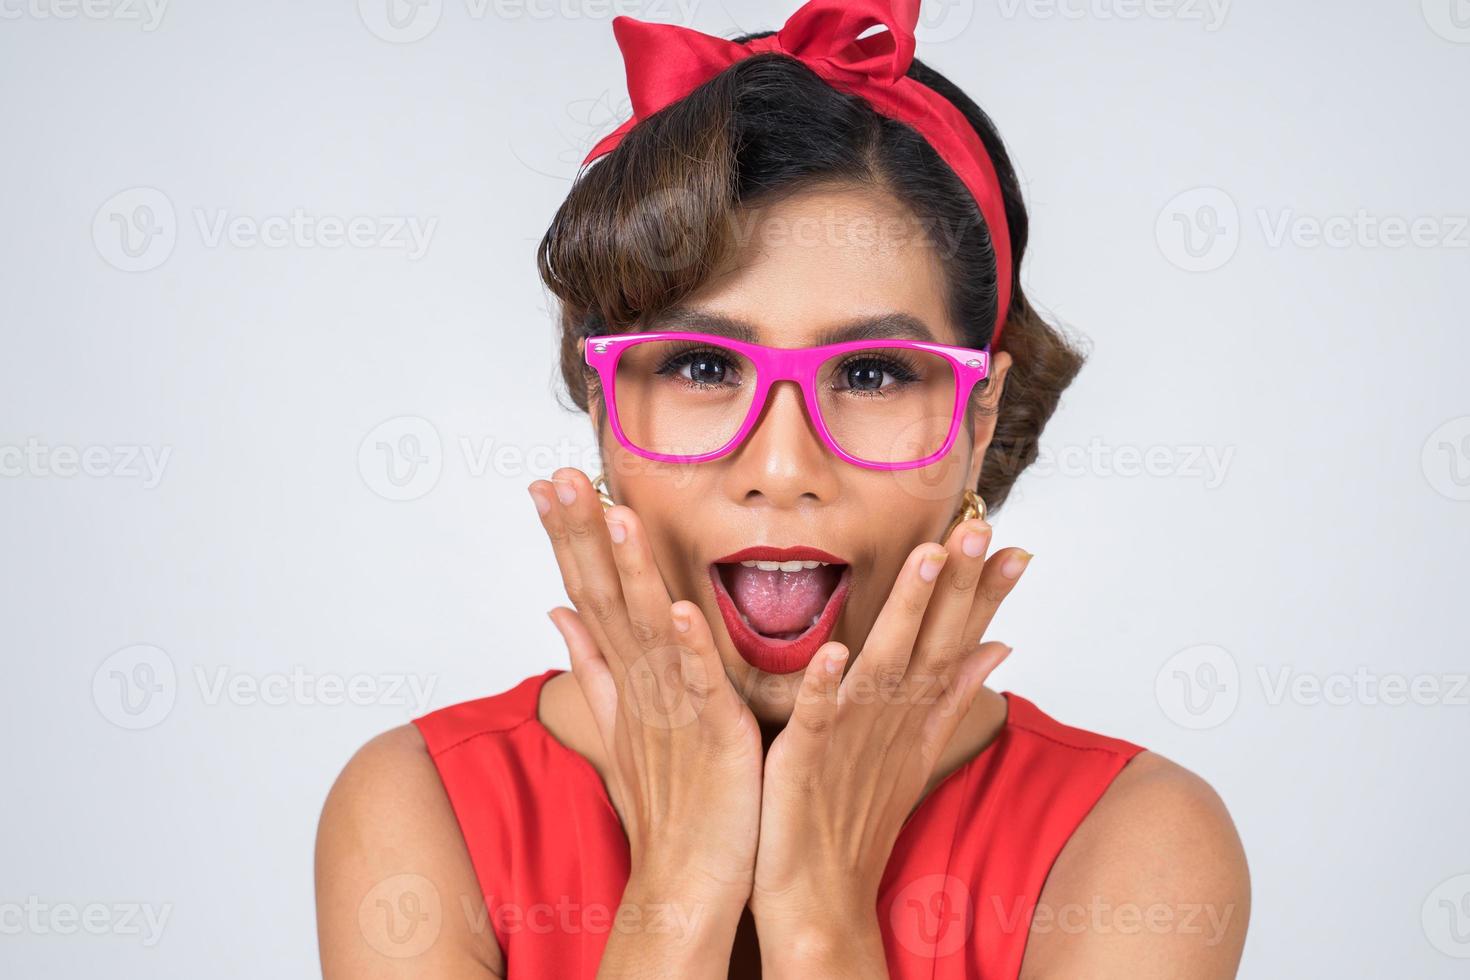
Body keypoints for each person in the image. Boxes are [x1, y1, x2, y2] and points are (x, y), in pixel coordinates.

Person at [315, 1, 1250, 975]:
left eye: (875, 373)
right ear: (602, 404)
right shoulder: (421, 807)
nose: (783, 469)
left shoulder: (1135, 841)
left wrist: (819, 911)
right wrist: (678, 887)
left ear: (980, 423)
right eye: (703, 367)